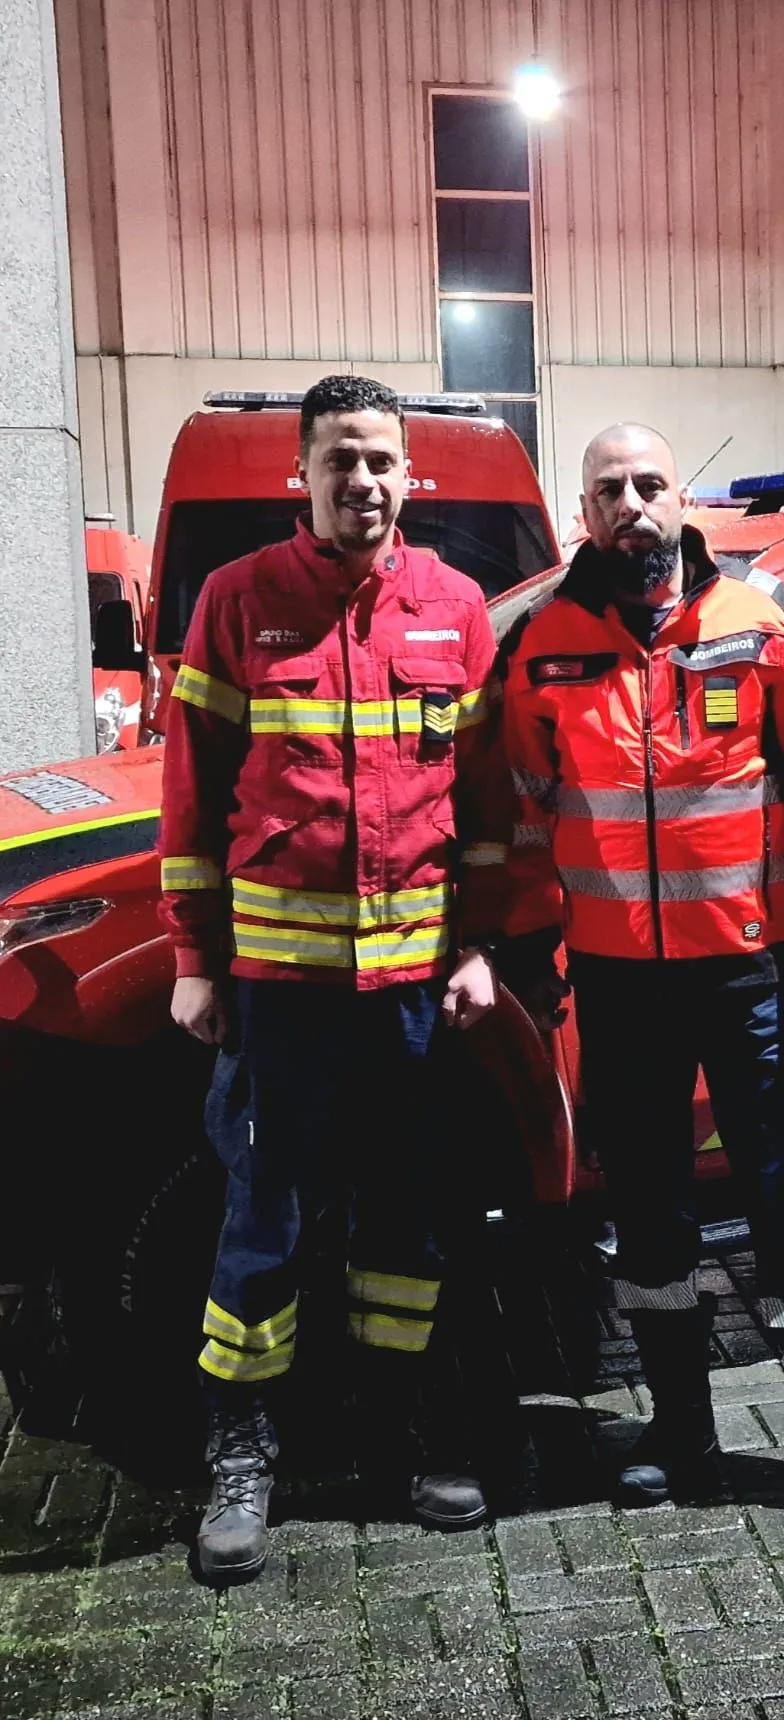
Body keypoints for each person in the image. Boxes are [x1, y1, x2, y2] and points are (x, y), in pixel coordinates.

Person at [496, 423, 784, 1544]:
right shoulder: (541, 644)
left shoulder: (762, 619)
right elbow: (522, 813)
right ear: (582, 513)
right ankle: (682, 1436)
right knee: (646, 1212)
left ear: (680, 500)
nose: (631, 503)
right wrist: (526, 944)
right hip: (618, 982)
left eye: (649, 484)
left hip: (749, 971)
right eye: (608, 488)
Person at [158, 374, 506, 1583]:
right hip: (279, 990)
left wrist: (477, 947)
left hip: (411, 988)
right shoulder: (238, 600)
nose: (361, 479)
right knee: (263, 1216)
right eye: (339, 460)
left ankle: (396, 1432)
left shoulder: (455, 608)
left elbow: (486, 809)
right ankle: (240, 1451)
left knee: (405, 1214)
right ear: (299, 475)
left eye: (379, 460)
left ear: (410, 474)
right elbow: (191, 795)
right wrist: (195, 960)